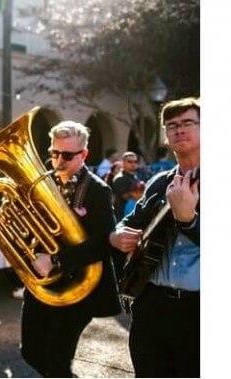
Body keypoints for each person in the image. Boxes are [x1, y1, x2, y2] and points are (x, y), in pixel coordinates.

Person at [20, 121, 121, 378]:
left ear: (83, 154)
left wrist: (55, 259)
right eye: (54, 154)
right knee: (30, 352)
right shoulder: (42, 184)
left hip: (80, 286)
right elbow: (30, 230)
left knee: (56, 361)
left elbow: (106, 242)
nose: (58, 161)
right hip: (44, 284)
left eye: (66, 155)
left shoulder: (98, 190)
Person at [109, 97, 200, 377]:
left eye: (188, 123)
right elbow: (128, 222)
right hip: (151, 305)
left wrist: (189, 220)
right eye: (171, 125)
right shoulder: (160, 182)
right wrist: (117, 236)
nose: (179, 130)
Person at [111, 151, 141, 221]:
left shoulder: (134, 177)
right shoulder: (120, 178)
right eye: (130, 161)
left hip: (133, 215)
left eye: (135, 161)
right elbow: (127, 197)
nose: (133, 164)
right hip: (122, 216)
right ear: (123, 162)